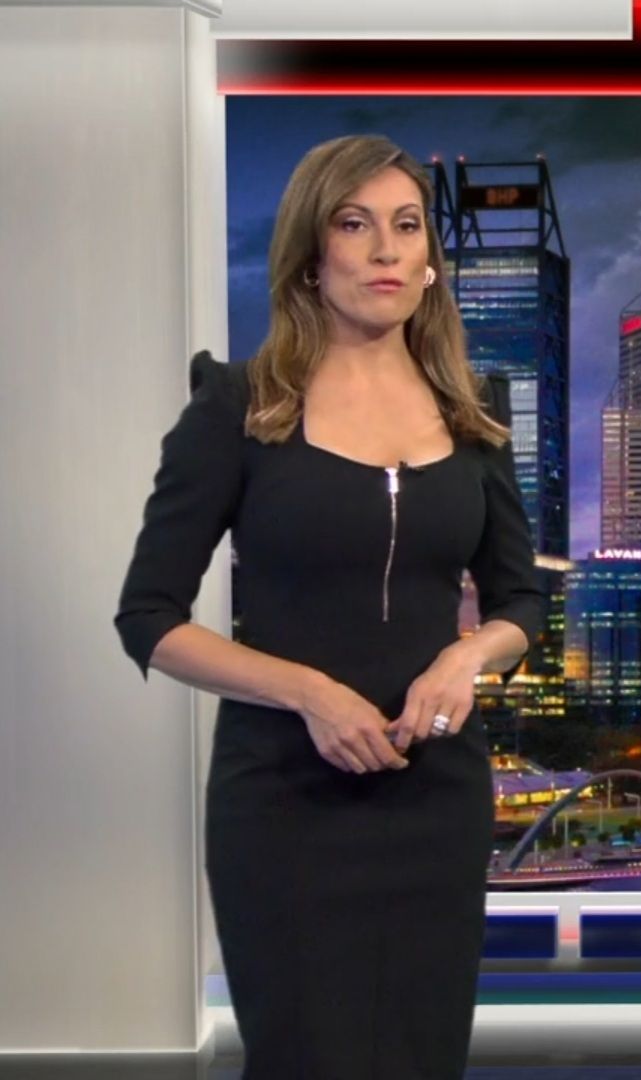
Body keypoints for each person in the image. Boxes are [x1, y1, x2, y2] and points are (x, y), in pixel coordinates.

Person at [114, 134, 545, 1080]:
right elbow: (149, 617)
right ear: (311, 254)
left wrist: (465, 658)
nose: (385, 249)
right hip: (284, 801)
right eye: (354, 225)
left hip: (436, 798)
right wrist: (309, 693)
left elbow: (520, 598)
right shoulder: (237, 406)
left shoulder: (473, 412)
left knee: (422, 1056)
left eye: (406, 225)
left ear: (429, 261)